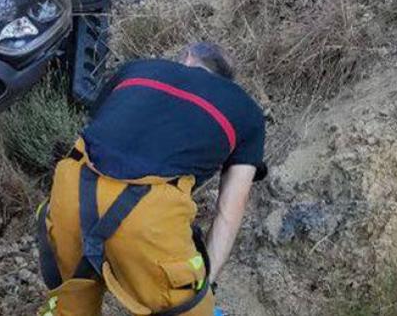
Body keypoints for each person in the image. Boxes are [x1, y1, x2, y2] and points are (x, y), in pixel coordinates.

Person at [35, 42, 266, 316]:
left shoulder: (135, 70)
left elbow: (97, 135)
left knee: (70, 309)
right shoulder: (246, 111)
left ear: (188, 59)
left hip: (71, 192)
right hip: (147, 219)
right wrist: (206, 286)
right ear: (227, 81)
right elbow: (229, 212)